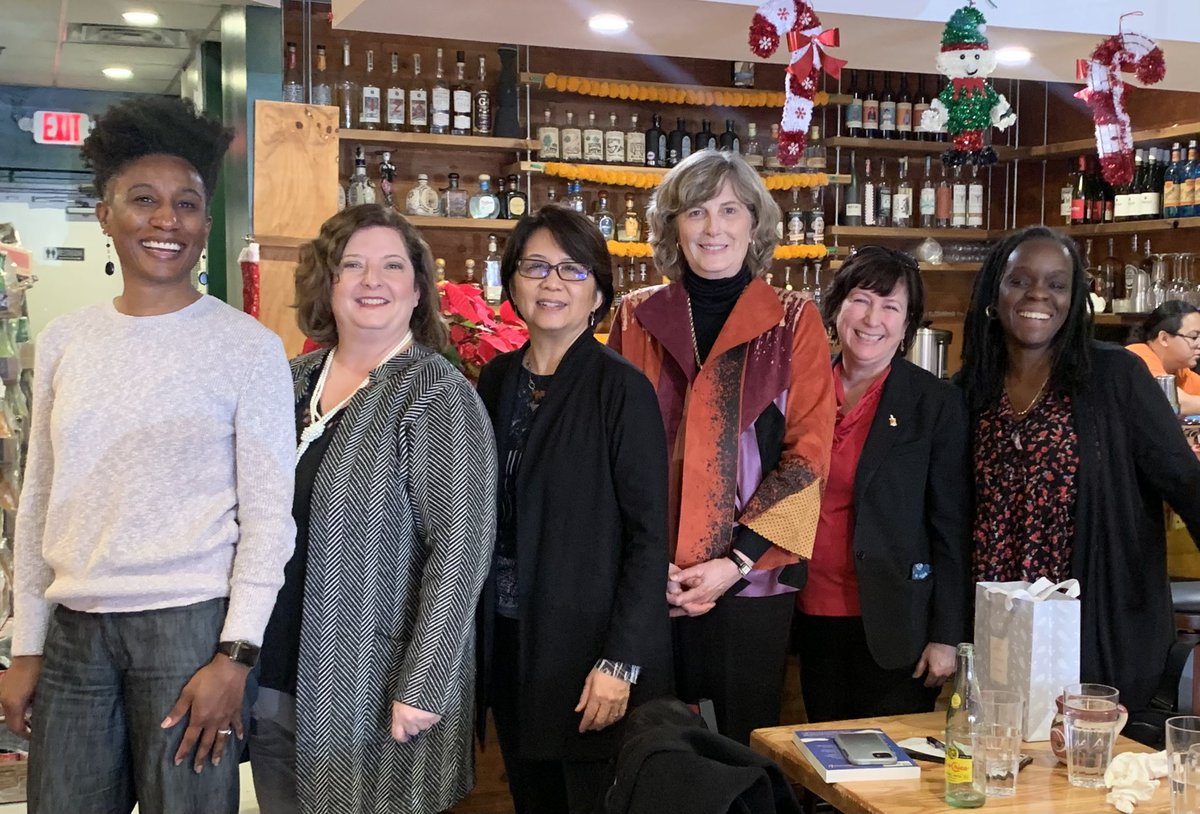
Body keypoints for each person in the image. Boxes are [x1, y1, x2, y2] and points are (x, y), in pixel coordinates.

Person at [0, 96, 296, 812]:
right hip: (74, 635)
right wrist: (25, 643)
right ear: (106, 214)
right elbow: (40, 497)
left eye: (187, 204)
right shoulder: (67, 341)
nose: (168, 220)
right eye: (144, 200)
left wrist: (236, 657)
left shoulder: (248, 349)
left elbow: (268, 521)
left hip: (189, 631)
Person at [252, 203, 496, 814]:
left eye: (392, 265)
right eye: (352, 264)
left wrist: (424, 682)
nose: (372, 281)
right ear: (327, 283)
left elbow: (461, 552)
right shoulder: (290, 379)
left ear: (418, 289)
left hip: (376, 686)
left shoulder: (437, 391)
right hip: (275, 674)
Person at [609, 149, 835, 745]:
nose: (713, 228)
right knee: (650, 748)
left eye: (730, 210)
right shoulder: (633, 318)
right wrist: (642, 561)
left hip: (750, 581)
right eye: (696, 211)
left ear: (754, 223)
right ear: (671, 227)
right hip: (646, 579)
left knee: (736, 748)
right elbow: (610, 455)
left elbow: (808, 455)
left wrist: (733, 563)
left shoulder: (794, 321)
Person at [475, 204, 672, 814]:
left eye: (572, 269)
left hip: (588, 655)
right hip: (507, 640)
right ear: (511, 284)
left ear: (598, 294)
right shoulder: (494, 380)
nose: (552, 283)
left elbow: (648, 537)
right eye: (536, 267)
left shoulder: (622, 389)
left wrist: (622, 661)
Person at [959, 225, 1200, 714]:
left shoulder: (1115, 378)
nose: (1037, 295)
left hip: (1096, 628)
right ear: (994, 292)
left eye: (1056, 284)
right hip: (995, 631)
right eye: (1020, 280)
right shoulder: (970, 391)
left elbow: (1186, 482)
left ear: (1075, 298)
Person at [796, 247, 971, 723]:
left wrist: (947, 634)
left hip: (897, 624)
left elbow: (950, 527)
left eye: (891, 307)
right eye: (861, 299)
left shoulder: (934, 404)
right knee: (819, 759)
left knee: (888, 771)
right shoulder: (799, 389)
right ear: (836, 308)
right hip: (806, 612)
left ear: (907, 322)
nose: (873, 319)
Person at [1125, 301, 1200, 415]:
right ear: (1164, 338)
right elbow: (1173, 403)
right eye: (1194, 337)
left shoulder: (1180, 370)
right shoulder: (1137, 356)